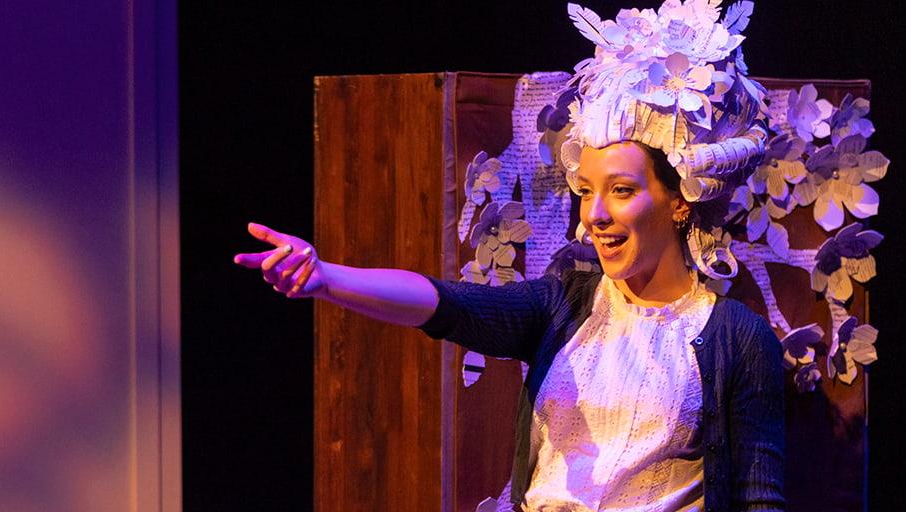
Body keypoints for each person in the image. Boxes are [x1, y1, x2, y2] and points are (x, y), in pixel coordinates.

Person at [235, 3, 785, 511]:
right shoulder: (565, 306)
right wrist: (326, 277)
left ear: (680, 201)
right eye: (586, 190)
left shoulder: (736, 338)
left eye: (620, 190)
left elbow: (760, 501)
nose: (594, 214)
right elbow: (447, 305)